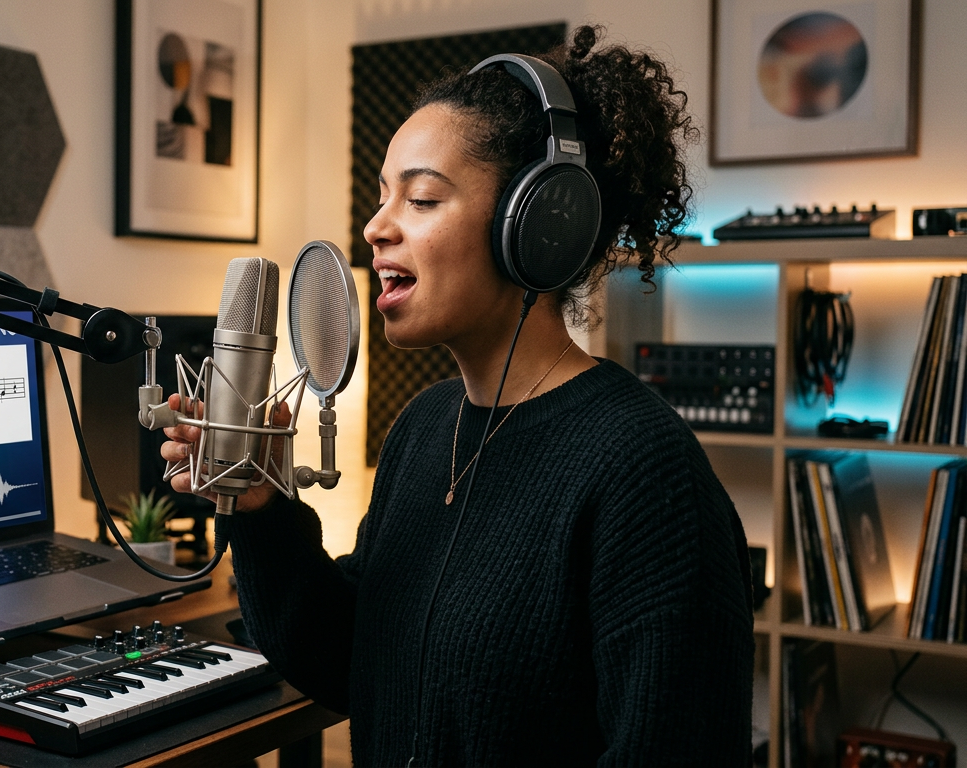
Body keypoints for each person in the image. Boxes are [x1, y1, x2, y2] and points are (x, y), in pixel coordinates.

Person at [161, 26, 754, 766]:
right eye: (382, 198)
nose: (375, 228)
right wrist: (261, 513)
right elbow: (351, 661)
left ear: (535, 224)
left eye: (420, 199)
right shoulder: (424, 426)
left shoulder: (645, 473)